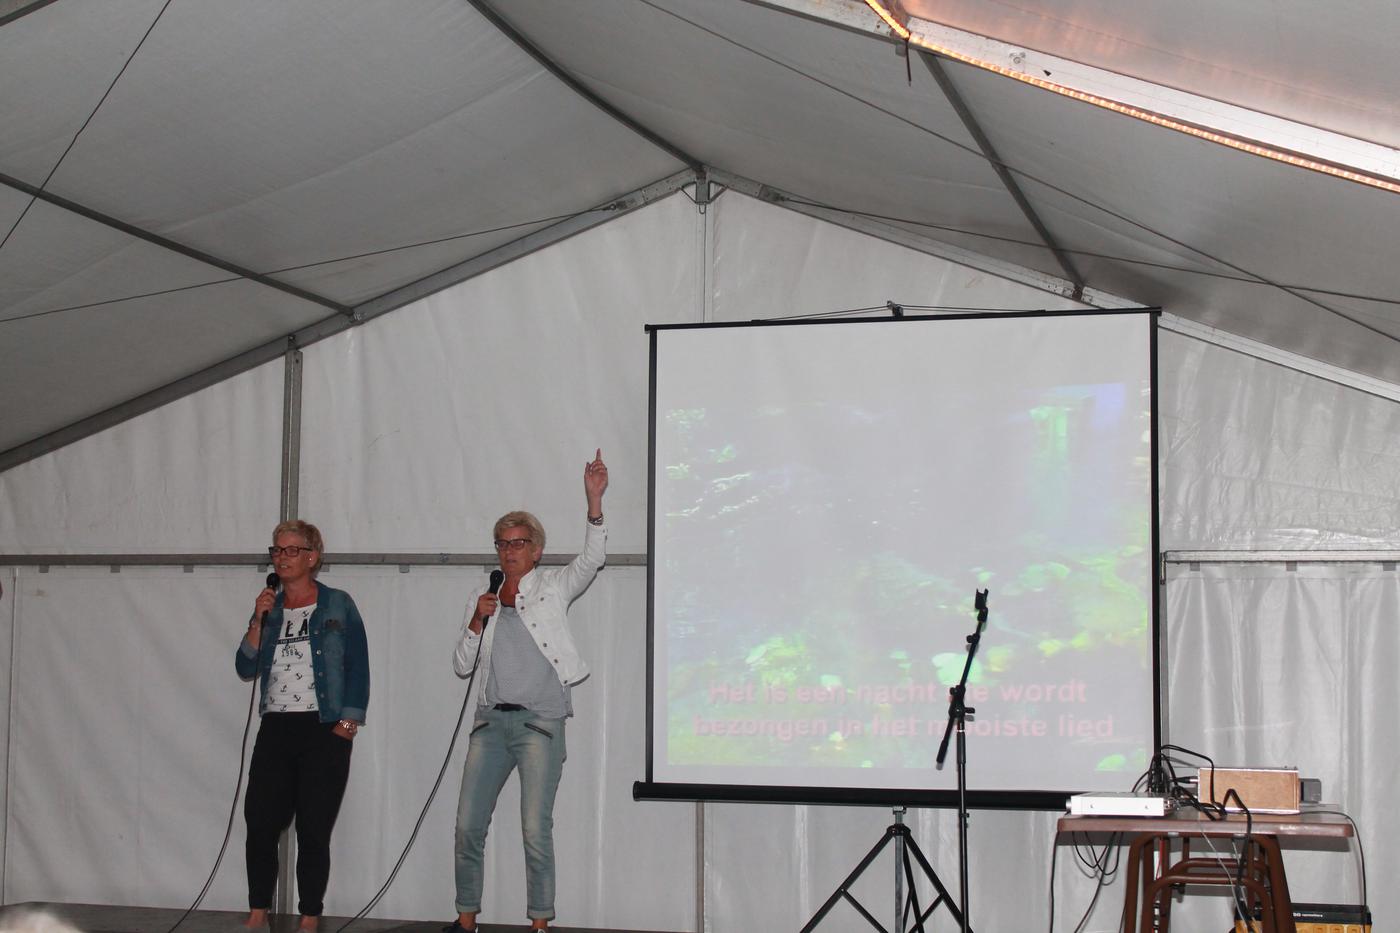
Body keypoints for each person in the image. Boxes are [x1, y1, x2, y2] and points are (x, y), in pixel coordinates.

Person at [445, 450, 609, 933]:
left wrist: (594, 502)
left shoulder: (553, 587)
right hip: (490, 723)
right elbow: (461, 665)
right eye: (502, 544)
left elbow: (592, 560)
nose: (509, 551)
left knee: (535, 829)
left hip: (540, 722)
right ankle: (466, 920)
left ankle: (540, 924)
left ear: (536, 551)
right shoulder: (484, 597)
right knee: (467, 826)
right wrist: (477, 620)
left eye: (518, 543)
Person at [235, 520, 369, 931]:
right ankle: (258, 911)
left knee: (313, 828)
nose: (282, 557)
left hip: (323, 727)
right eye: (277, 550)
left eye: (291, 550)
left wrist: (348, 723)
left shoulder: (338, 604)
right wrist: (258, 620)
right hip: (276, 727)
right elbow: (245, 666)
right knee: (260, 823)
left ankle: (310, 915)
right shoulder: (269, 608)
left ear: (312, 557)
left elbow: (358, 665)